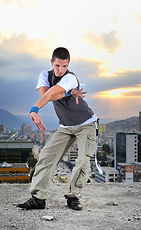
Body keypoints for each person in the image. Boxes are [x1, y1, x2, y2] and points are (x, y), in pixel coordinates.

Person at [17, 47, 98, 211]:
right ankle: (38, 199)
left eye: (65, 66)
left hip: (86, 124)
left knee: (82, 161)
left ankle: (73, 197)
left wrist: (35, 110)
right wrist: (67, 95)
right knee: (46, 156)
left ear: (68, 65)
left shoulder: (71, 78)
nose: (61, 70)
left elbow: (52, 92)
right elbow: (45, 95)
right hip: (65, 126)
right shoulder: (44, 76)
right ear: (51, 62)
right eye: (57, 66)